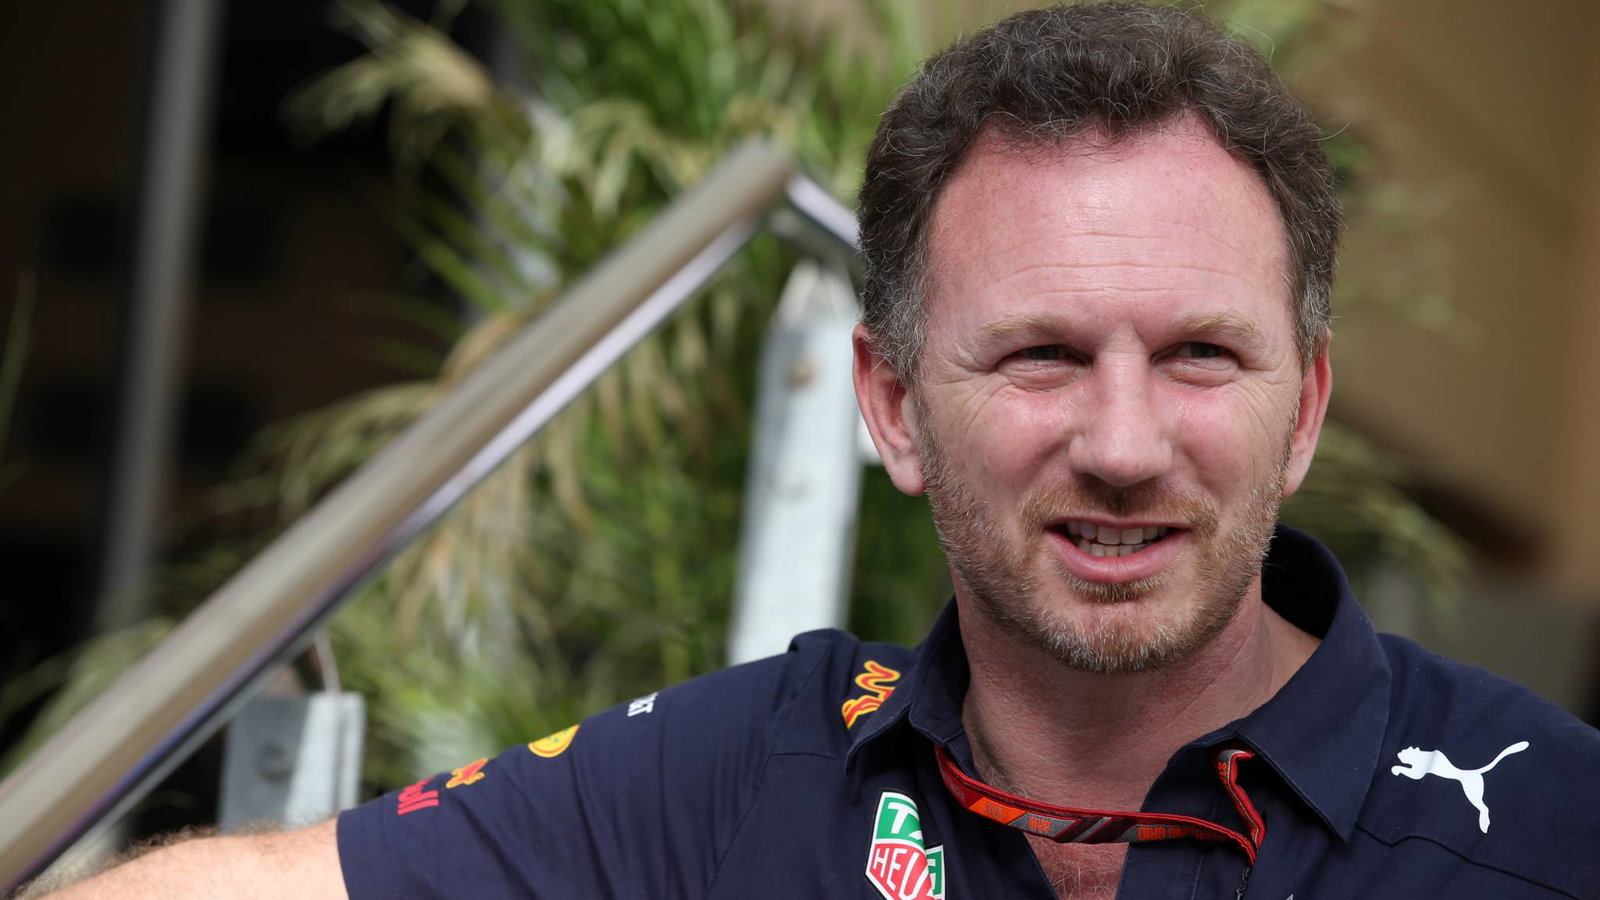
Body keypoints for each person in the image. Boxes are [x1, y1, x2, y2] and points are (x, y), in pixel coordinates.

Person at [28, 3, 1600, 899]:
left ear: (1304, 409)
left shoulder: (1551, 825)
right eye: (1041, 356)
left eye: (1200, 355)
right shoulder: (752, 773)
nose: (1124, 444)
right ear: (892, 407)